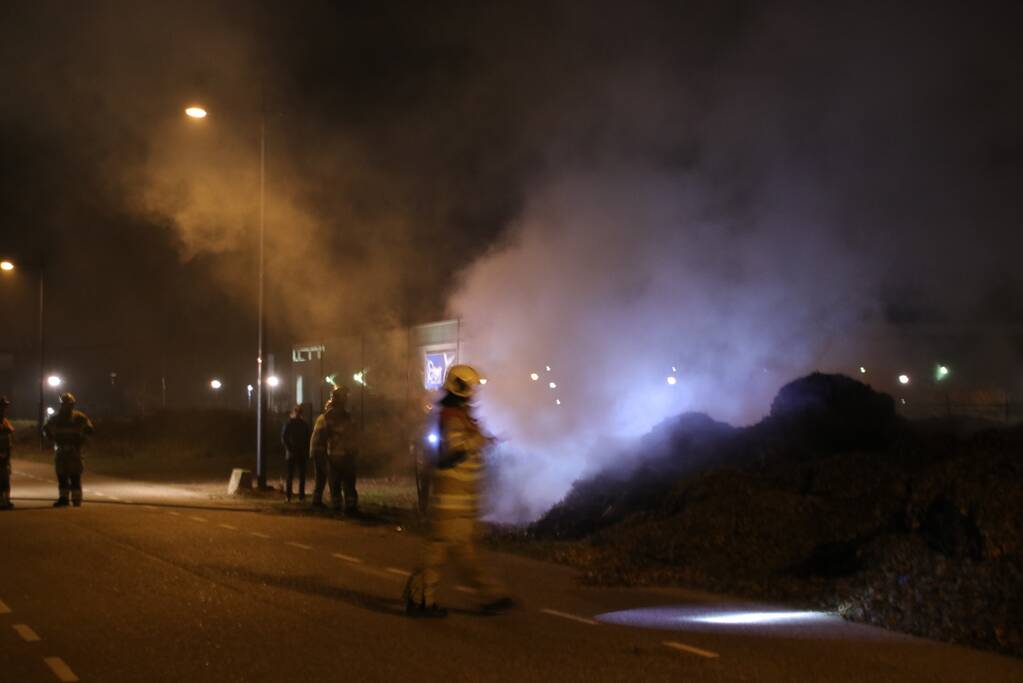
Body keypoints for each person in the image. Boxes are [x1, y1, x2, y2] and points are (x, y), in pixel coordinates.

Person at [403, 365, 513, 618]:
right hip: (451, 500)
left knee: (462, 552)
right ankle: (421, 600)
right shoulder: (452, 416)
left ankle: (488, 595)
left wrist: (485, 439)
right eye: (472, 388)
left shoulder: (457, 414)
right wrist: (479, 441)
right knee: (438, 552)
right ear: (462, 387)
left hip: (460, 499)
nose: (475, 393)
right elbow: (454, 448)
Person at [309, 385, 359, 513]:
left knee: (334, 481)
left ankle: (341, 505)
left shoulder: (327, 417)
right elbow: (322, 439)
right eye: (345, 398)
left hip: (337, 455)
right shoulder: (333, 417)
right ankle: (346, 506)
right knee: (341, 481)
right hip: (335, 456)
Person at [42, 392, 94, 507]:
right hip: (61, 451)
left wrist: (82, 439)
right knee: (62, 475)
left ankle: (76, 499)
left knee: (75, 475)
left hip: (75, 451)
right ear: (62, 405)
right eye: (65, 404)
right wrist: (52, 438)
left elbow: (90, 429)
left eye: (70, 404)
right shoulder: (55, 419)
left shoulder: (79, 417)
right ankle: (64, 498)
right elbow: (46, 428)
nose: (68, 406)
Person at [281, 404, 311, 502]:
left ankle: (288, 496)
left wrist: (289, 448)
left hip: (291, 453)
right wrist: (306, 450)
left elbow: (284, 437)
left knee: (290, 475)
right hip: (301, 453)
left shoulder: (289, 423)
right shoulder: (304, 424)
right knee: (301, 476)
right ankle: (301, 496)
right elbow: (308, 439)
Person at [0, 397, 14, 510]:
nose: (3, 409)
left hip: (4, 457)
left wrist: (7, 456)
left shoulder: (5, 422)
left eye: (4, 407)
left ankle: (5, 500)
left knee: (5, 479)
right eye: (1, 406)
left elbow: (8, 440)